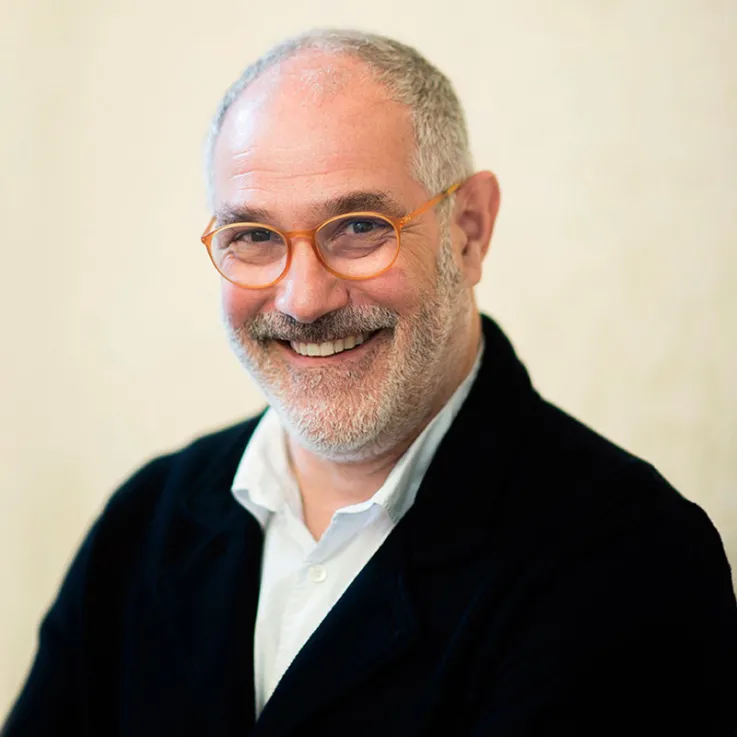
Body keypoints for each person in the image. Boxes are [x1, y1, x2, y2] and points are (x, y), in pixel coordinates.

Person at [4, 28, 736, 737]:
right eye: (253, 236)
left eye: (358, 227)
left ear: (469, 229)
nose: (303, 300)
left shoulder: (633, 561)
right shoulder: (144, 525)